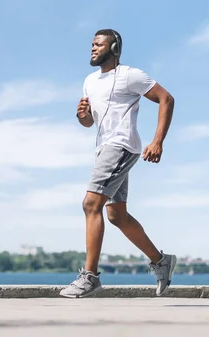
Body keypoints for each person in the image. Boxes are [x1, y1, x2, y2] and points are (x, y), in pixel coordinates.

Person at [59, 29, 177, 298]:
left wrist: (158, 140)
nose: (92, 48)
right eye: (91, 44)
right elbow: (90, 122)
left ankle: (90, 277)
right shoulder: (89, 81)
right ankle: (161, 261)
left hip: (120, 145)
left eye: (98, 44)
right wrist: (83, 116)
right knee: (116, 216)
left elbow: (166, 99)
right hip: (104, 148)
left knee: (91, 204)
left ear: (114, 48)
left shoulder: (129, 75)